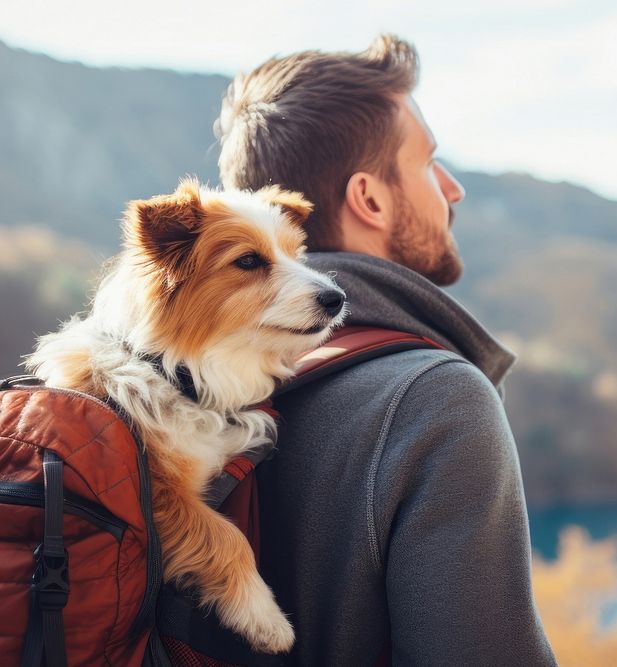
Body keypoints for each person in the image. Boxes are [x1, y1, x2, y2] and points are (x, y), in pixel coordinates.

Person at [214, 35, 556, 665]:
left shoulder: (186, 385)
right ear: (369, 197)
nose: (452, 190)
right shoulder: (434, 399)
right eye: (428, 163)